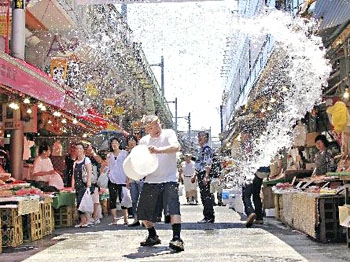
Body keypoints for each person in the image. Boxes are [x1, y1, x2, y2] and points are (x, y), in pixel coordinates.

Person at [137, 115, 184, 252]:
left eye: (157, 125)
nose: (156, 129)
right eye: (151, 127)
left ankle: (177, 238)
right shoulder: (144, 141)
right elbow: (140, 160)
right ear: (146, 129)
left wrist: (158, 151)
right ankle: (152, 236)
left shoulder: (169, 134)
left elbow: (176, 147)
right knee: (142, 213)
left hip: (169, 179)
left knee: (173, 209)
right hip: (151, 180)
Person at [107, 137, 130, 225]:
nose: (114, 144)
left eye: (116, 142)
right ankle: (114, 219)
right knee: (112, 199)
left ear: (119, 144)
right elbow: (108, 166)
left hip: (122, 179)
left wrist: (128, 178)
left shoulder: (124, 153)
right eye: (112, 143)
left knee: (123, 199)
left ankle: (125, 218)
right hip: (112, 179)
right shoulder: (109, 155)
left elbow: (127, 166)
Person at [195, 131, 215, 223]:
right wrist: (195, 175)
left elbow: (208, 163)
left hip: (204, 174)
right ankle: (207, 216)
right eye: (198, 136)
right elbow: (200, 163)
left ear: (206, 138)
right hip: (201, 174)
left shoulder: (207, 149)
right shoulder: (201, 149)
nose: (199, 138)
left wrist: (206, 176)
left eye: (201, 136)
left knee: (206, 196)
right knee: (204, 196)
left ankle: (209, 216)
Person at [72, 143, 93, 228]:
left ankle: (88, 220)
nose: (78, 150)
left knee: (84, 202)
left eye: (80, 149)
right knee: (79, 203)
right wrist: (72, 185)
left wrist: (88, 182)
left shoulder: (86, 160)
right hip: (77, 184)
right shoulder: (75, 162)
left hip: (84, 184)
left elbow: (89, 172)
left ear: (83, 150)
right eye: (77, 149)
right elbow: (73, 175)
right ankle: (82, 220)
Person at [126, 135, 144, 227]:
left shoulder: (140, 151)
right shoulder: (127, 153)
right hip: (132, 179)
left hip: (141, 178)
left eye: (133, 140)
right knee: (134, 200)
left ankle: (145, 220)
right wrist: (128, 179)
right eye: (129, 140)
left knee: (143, 199)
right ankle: (136, 219)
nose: (131, 142)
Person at [85, 144, 103, 225]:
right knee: (88, 200)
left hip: (95, 181)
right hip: (85, 180)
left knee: (95, 200)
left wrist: (93, 153)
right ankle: (89, 218)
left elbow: (100, 161)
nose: (88, 150)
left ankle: (95, 217)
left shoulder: (95, 156)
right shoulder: (84, 157)